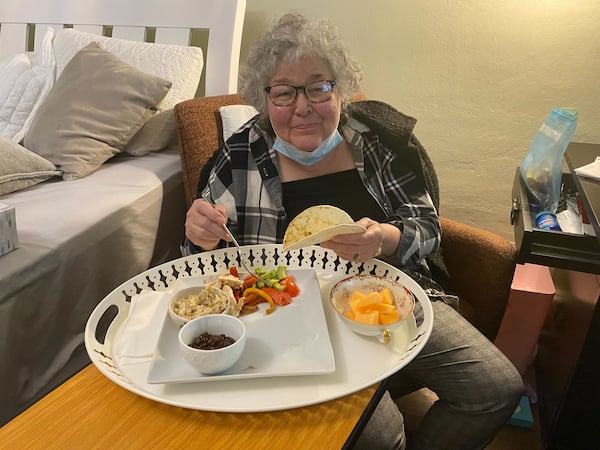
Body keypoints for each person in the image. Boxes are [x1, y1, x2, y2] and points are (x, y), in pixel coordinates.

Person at [183, 12, 523, 450]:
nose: (302, 107)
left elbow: (427, 227)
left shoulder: (380, 142)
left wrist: (384, 238)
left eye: (318, 87)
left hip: (386, 295)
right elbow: (199, 263)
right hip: (288, 311)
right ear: (264, 99)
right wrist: (200, 235)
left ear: (340, 88)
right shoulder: (237, 158)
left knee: (495, 389)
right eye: (284, 92)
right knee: (382, 438)